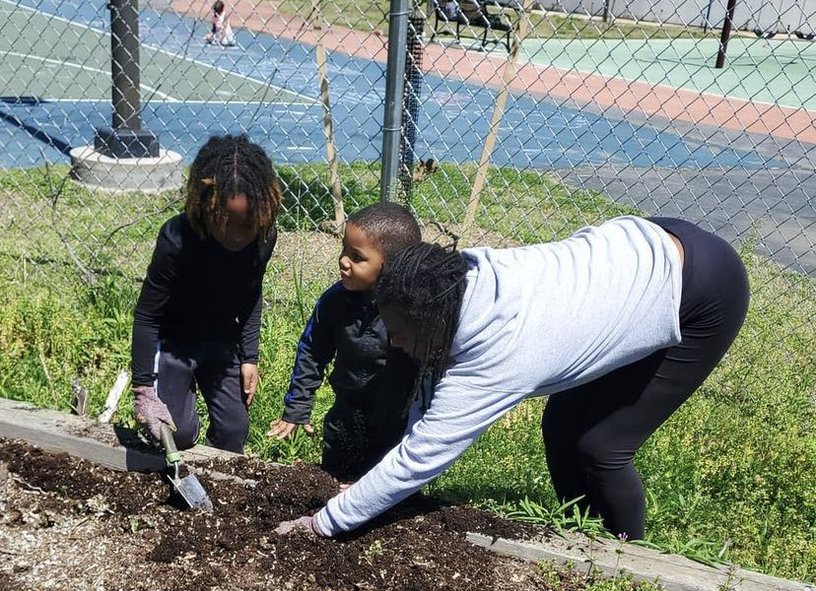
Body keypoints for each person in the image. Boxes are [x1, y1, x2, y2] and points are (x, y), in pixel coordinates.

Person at [275, 215, 749, 542]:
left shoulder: (498, 355)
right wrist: (368, 490)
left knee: (601, 446)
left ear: (427, 322)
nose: (393, 343)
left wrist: (327, 522)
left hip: (701, 288)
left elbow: (425, 455)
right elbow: (425, 401)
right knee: (561, 423)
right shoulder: (455, 280)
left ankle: (629, 559)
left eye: (397, 333)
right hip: (644, 247)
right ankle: (581, 533)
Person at [131, 134, 280, 454]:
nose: (238, 236)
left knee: (233, 431)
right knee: (176, 433)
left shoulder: (263, 238)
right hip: (174, 342)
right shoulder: (177, 240)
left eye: (248, 225)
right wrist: (143, 389)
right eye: (227, 223)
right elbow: (147, 314)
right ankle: (180, 406)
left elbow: (252, 295)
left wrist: (249, 357)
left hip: (221, 343)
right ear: (205, 206)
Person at [266, 202, 421, 484]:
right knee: (336, 475)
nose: (343, 261)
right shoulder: (335, 302)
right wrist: (298, 405)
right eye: (343, 251)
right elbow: (312, 350)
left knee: (388, 483)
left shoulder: (409, 309)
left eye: (357, 257)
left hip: (396, 417)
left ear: (392, 267)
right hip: (348, 408)